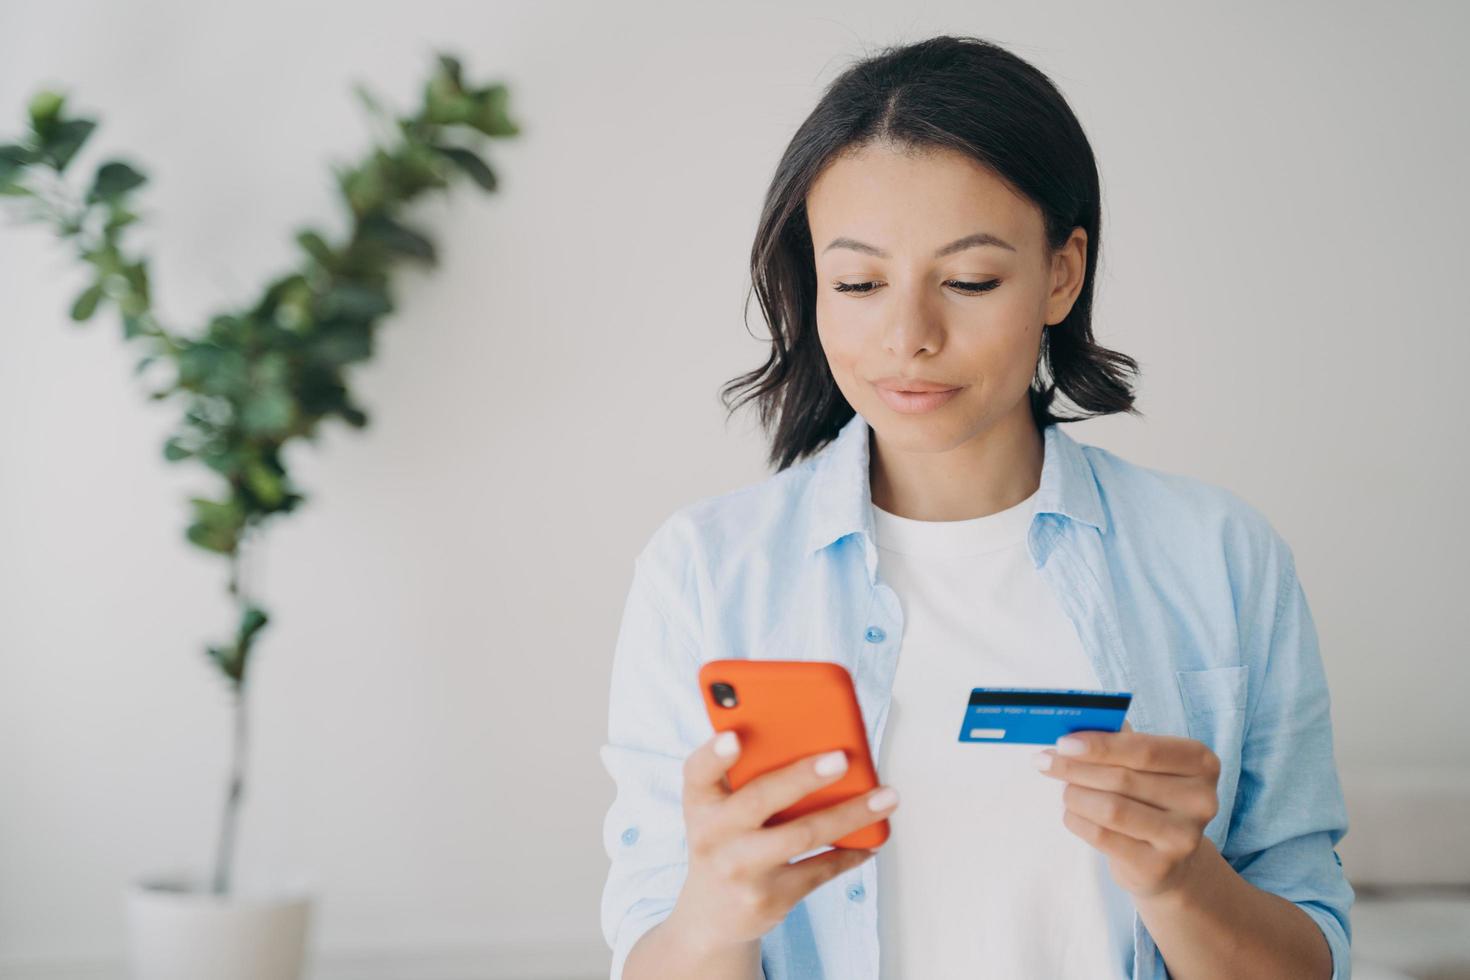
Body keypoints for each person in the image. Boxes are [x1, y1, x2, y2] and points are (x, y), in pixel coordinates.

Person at [598, 33, 1352, 980]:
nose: (908, 336)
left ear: (1062, 275)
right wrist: (714, 919)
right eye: (860, 283)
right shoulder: (706, 571)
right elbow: (649, 942)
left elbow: (1311, 955)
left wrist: (1182, 883)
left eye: (968, 281)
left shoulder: (1222, 557)